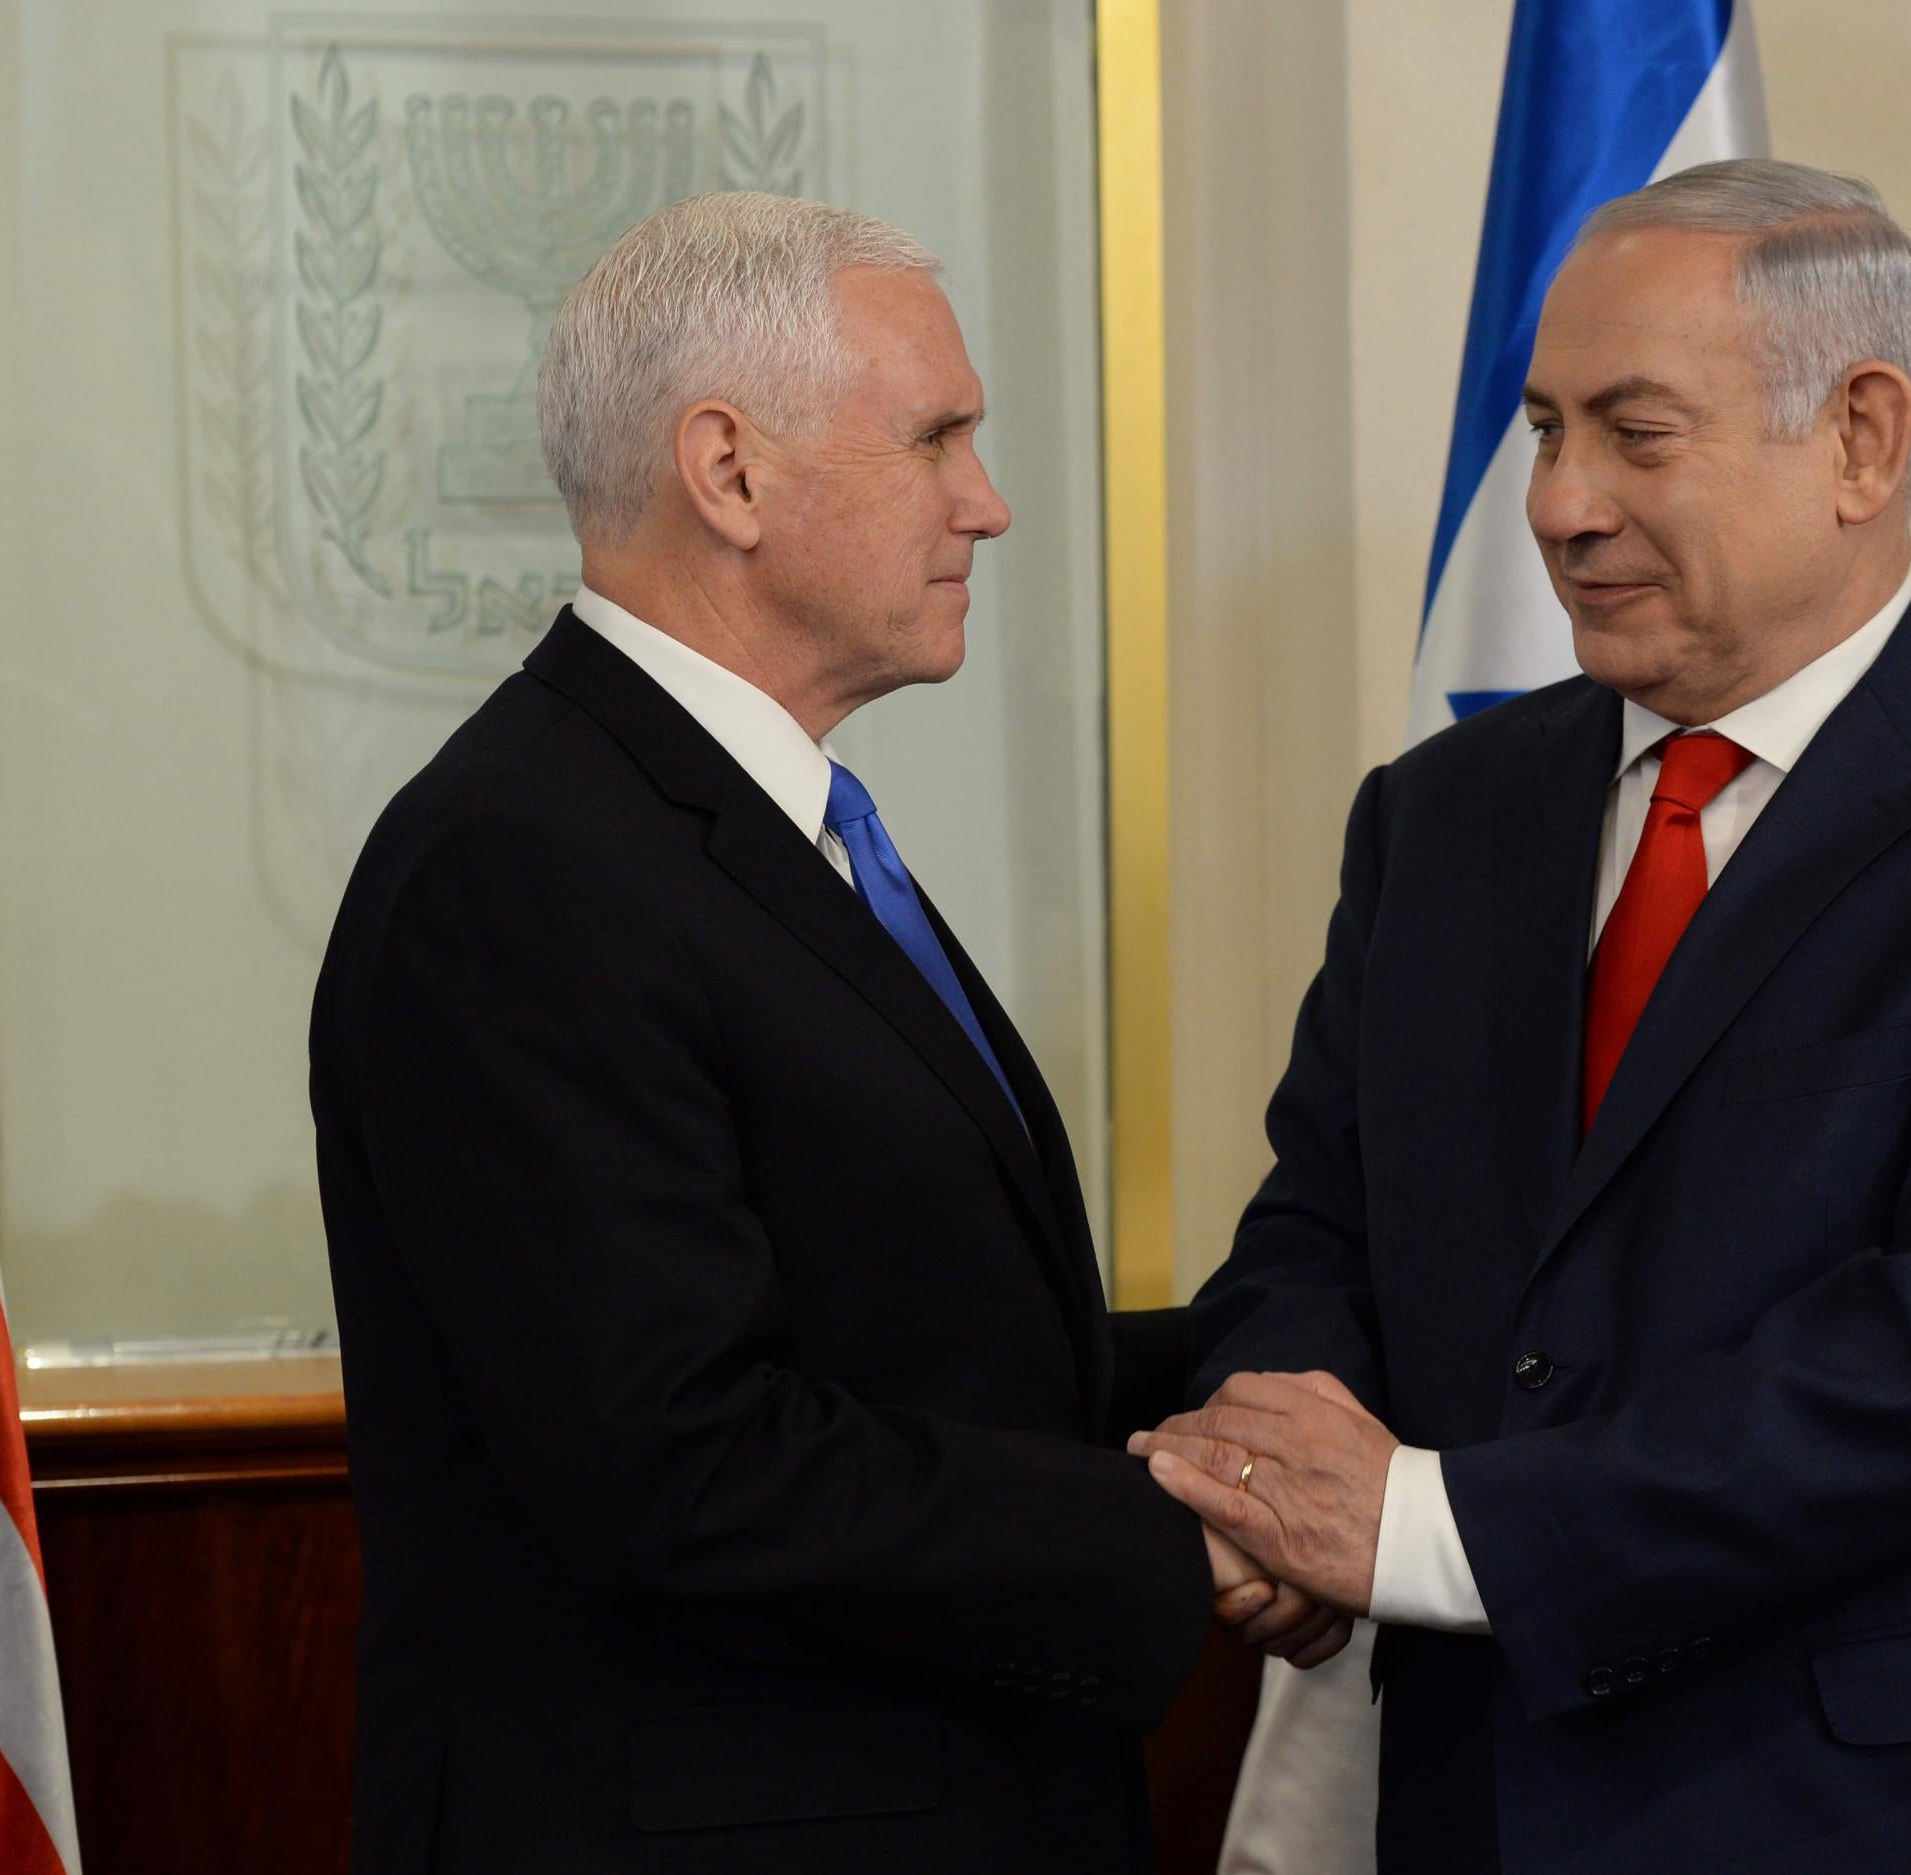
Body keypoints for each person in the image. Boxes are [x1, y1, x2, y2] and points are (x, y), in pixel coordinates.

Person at [1135, 159, 1911, 1873]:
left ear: (1862, 440)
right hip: (1482, 1797)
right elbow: (1315, 1227)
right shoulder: (1440, 816)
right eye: (1541, 430)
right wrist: (1269, 1473)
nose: (1559, 506)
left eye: (1634, 434)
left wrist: (1430, 1529)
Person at [309, 192, 1264, 1875]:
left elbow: (920, 1349)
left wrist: (1277, 1373)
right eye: (938, 439)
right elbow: (680, 1463)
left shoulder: (723, 829)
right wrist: (1182, 1534)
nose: (991, 502)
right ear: (729, 472)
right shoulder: (523, 866)